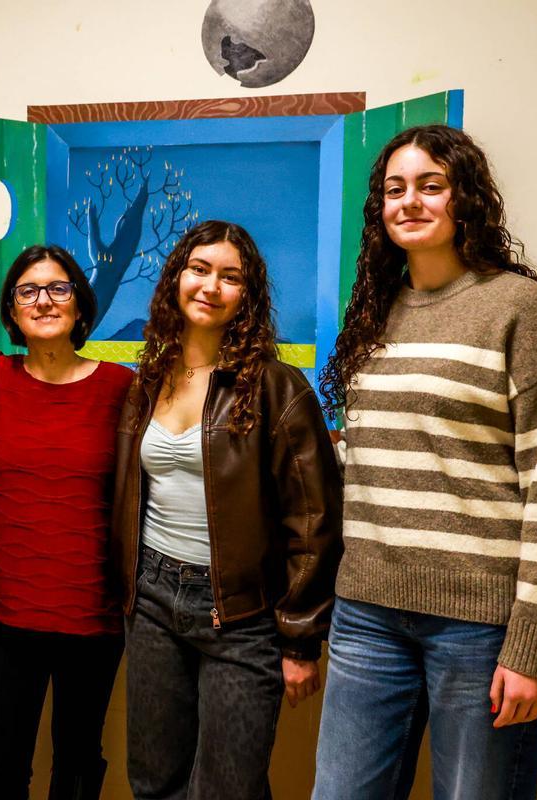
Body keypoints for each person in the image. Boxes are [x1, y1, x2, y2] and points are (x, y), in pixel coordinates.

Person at [312, 124, 537, 800]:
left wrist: (534, 647)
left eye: (430, 185)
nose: (408, 202)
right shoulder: (374, 314)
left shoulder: (517, 308)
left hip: (478, 627)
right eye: (393, 189)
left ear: (464, 196)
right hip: (365, 613)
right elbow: (368, 456)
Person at [112, 219, 343, 800]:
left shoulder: (277, 388)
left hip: (242, 616)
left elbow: (313, 520)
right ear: (176, 280)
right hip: (154, 602)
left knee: (228, 789)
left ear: (248, 295)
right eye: (199, 269)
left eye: (230, 277)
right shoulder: (148, 378)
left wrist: (299, 639)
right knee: (154, 782)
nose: (211, 286)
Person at [0, 245, 133, 800]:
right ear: (11, 312)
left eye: (59, 288)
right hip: (5, 613)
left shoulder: (123, 389)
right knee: (1, 772)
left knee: (79, 766)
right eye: (27, 290)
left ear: (81, 306)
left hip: (92, 613)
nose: (44, 300)